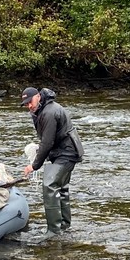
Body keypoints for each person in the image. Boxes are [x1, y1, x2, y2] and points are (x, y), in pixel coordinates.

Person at [20, 86, 83, 233]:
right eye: (26, 104)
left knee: (49, 185)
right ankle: (64, 226)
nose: (29, 106)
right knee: (61, 188)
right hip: (64, 152)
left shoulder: (49, 112)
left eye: (31, 102)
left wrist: (34, 166)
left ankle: (53, 231)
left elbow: (47, 143)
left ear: (38, 97)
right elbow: (47, 141)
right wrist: (39, 149)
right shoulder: (42, 110)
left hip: (67, 153)